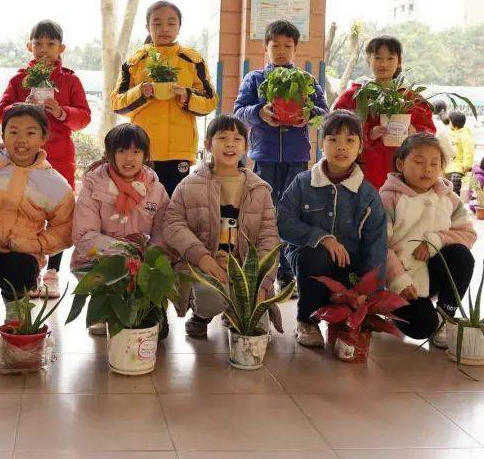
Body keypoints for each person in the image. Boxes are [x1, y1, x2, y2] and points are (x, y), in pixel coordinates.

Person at [0, 104, 75, 341]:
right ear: (3, 135)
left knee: (21, 266)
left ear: (43, 138)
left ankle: (15, 305)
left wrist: (34, 244)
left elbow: (64, 229)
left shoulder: (55, 184)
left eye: (30, 133)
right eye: (14, 132)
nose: (21, 140)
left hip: (19, 253)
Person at [163, 115, 282, 339]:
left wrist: (263, 284)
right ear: (208, 145)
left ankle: (234, 310)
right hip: (204, 266)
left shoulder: (259, 189)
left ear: (246, 146)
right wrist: (202, 257)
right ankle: (201, 316)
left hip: (245, 272)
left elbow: (269, 237)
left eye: (237, 139)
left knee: (258, 330)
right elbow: (172, 223)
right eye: (222, 138)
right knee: (210, 298)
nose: (230, 144)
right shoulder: (190, 184)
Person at [277, 110, 387, 348]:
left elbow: (376, 246)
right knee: (315, 255)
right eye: (333, 139)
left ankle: (344, 320)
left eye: (350, 141)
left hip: (350, 267)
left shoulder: (368, 195)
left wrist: (370, 293)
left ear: (360, 148)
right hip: (310, 262)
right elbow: (282, 222)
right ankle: (307, 321)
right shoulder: (303, 182)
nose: (341, 147)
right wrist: (322, 238)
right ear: (322, 144)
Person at [0, 20, 91, 298]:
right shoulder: (18, 80)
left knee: (60, 215)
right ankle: (31, 271)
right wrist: (22, 107)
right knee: (27, 210)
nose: (44, 49)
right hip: (24, 159)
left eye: (51, 44)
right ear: (30, 46)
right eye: (38, 43)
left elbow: (84, 116)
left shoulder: (70, 80)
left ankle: (53, 271)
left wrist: (61, 112)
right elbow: (2, 113)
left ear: (61, 48)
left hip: (60, 156)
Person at [233, 19, 328, 289]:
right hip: (264, 157)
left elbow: (324, 112)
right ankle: (262, 269)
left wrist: (308, 114)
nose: (282, 51)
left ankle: (287, 271)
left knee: (291, 214)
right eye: (276, 45)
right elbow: (239, 111)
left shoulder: (305, 80)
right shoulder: (254, 79)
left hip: (297, 158)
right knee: (263, 213)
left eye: (288, 46)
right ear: (266, 48)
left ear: (296, 50)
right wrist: (259, 113)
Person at [110, 0, 218, 197]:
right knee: (141, 204)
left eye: (171, 23)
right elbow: (117, 103)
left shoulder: (193, 60)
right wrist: (140, 93)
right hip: (141, 150)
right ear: (147, 27)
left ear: (179, 27)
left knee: (174, 206)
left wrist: (187, 96)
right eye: (157, 23)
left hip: (179, 150)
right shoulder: (135, 62)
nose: (164, 29)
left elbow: (210, 100)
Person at [380, 133, 477, 346]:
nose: (427, 169)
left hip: (430, 274)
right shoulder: (388, 198)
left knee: (462, 256)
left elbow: (468, 234)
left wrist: (437, 241)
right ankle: (391, 310)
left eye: (435, 163)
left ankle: (446, 316)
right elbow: (378, 246)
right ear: (400, 163)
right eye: (419, 162)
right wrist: (398, 279)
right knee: (422, 327)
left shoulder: (449, 198)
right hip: (399, 281)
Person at [72, 123, 169, 334]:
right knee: (115, 322)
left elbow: (163, 232)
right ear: (109, 154)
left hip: (143, 265)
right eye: (122, 150)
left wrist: (147, 258)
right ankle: (102, 308)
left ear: (145, 154)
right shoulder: (93, 185)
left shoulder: (156, 189)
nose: (129, 158)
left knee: (157, 332)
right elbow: (84, 235)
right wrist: (125, 253)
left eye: (136, 151)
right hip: (103, 260)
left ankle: (146, 306)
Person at [333, 36, 435, 189]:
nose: (383, 63)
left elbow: (429, 130)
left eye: (390, 58)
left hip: (402, 171)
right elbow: (337, 125)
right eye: (378, 57)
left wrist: (416, 133)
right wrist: (367, 132)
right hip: (363, 170)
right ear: (369, 60)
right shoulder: (355, 95)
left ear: (399, 61)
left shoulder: (410, 97)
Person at [444, 111, 474, 195]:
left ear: (454, 122)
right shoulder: (451, 134)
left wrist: (467, 165)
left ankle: (455, 208)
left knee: (454, 194)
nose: (449, 123)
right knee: (446, 193)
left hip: (458, 169)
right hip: (448, 168)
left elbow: (469, 151)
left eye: (450, 121)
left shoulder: (465, 135)